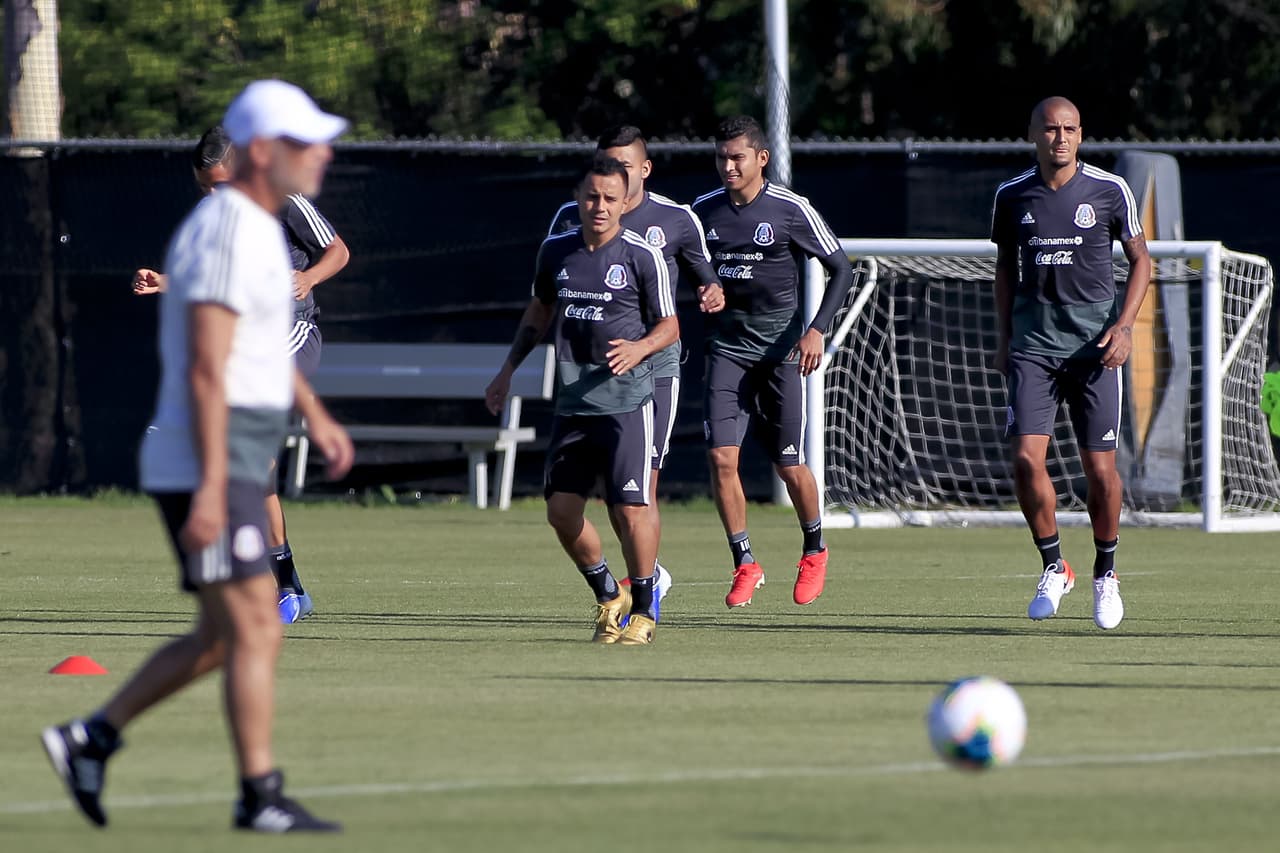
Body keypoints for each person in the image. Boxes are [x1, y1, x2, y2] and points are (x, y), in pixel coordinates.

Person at [42, 79, 354, 832]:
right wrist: (214, 481)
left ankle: (95, 738)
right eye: (303, 139)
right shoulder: (230, 230)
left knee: (233, 631)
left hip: (213, 455)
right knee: (250, 627)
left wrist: (314, 411)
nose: (321, 153)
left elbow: (258, 334)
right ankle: (254, 792)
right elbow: (209, 364)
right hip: (204, 458)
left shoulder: (247, 225)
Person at [133, 125, 352, 624]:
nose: (212, 195)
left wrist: (309, 277)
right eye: (204, 187)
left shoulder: (285, 197)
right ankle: (289, 588)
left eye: (219, 183)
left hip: (294, 335)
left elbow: (338, 251)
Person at [486, 157, 678, 645]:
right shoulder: (557, 251)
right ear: (579, 197)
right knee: (562, 512)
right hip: (574, 402)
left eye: (611, 199)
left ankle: (646, 611)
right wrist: (507, 370)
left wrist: (639, 348)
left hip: (627, 402)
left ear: (624, 201)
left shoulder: (640, 255)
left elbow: (670, 325)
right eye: (592, 196)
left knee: (632, 509)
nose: (600, 206)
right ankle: (609, 592)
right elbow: (540, 309)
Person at [546, 125, 726, 619]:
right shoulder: (572, 218)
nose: (613, 178)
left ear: (642, 170)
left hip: (655, 364)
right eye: (606, 165)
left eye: (624, 167)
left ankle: (646, 597)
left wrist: (712, 292)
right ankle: (639, 578)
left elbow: (704, 278)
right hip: (590, 377)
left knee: (641, 486)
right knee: (609, 494)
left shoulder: (674, 219)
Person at [990, 96, 1151, 630]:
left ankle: (1107, 574)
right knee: (1024, 462)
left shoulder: (1110, 191)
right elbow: (1005, 273)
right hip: (1034, 346)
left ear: (1081, 134)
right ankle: (1055, 565)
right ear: (1032, 133)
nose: (1060, 137)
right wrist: (1003, 337)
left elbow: (1141, 262)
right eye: (1050, 128)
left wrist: (1124, 327)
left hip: (1094, 350)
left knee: (1100, 472)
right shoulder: (1012, 196)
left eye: (1069, 129)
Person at [692, 116, 854, 609]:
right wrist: (705, 287)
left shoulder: (790, 209)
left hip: (781, 356)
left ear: (761, 158)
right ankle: (745, 562)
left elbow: (840, 268)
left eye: (737, 156)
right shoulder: (702, 211)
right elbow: (689, 263)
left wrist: (816, 330)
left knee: (789, 465)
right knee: (722, 459)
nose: (728, 166)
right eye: (721, 157)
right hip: (727, 352)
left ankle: (814, 550)